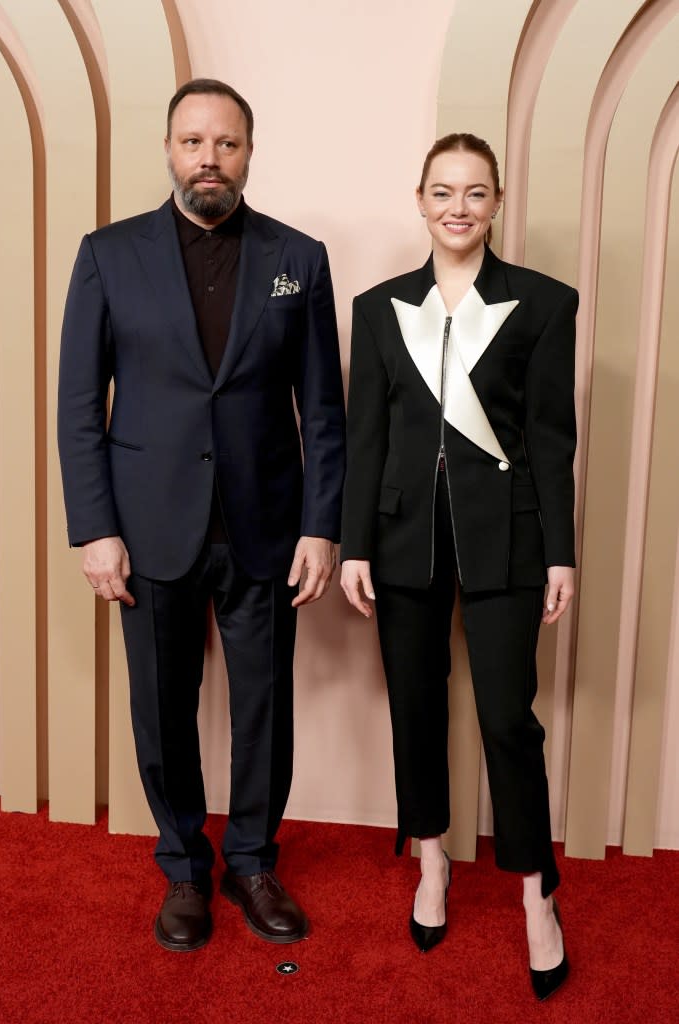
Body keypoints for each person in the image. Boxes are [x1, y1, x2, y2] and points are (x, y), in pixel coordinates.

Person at [58, 79, 346, 952]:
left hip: (265, 524)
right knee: (161, 710)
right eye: (193, 142)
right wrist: (95, 529)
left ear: (248, 153)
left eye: (225, 144)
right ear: (170, 150)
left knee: (263, 709)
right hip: (148, 530)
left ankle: (252, 860)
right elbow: (79, 406)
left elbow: (323, 410)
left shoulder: (300, 256)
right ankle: (184, 868)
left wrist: (322, 525)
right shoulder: (108, 255)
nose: (208, 159)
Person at [340, 133, 576, 1000]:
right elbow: (364, 438)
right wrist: (354, 541)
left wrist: (561, 554)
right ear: (419, 199)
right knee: (415, 706)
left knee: (509, 720)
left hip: (508, 538)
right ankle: (431, 860)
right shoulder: (377, 308)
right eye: (442, 191)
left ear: (497, 202)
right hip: (401, 538)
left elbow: (552, 444)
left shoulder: (545, 305)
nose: (457, 208)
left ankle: (532, 891)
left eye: (474, 193)